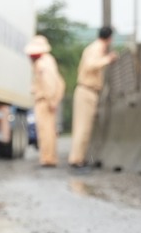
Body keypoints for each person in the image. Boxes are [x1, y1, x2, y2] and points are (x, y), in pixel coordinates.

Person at [69, 27, 117, 170]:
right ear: (110, 38)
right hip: (87, 90)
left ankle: (78, 158)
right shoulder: (97, 48)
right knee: (83, 127)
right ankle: (76, 159)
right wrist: (108, 59)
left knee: (84, 127)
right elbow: (90, 65)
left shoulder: (96, 48)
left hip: (88, 91)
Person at [28, 34, 64, 169]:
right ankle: (51, 157)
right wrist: (56, 98)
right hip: (49, 100)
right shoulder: (50, 61)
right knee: (50, 131)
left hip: (44, 100)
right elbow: (60, 83)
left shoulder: (41, 64)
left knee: (45, 131)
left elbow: (48, 83)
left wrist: (50, 100)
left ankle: (47, 159)